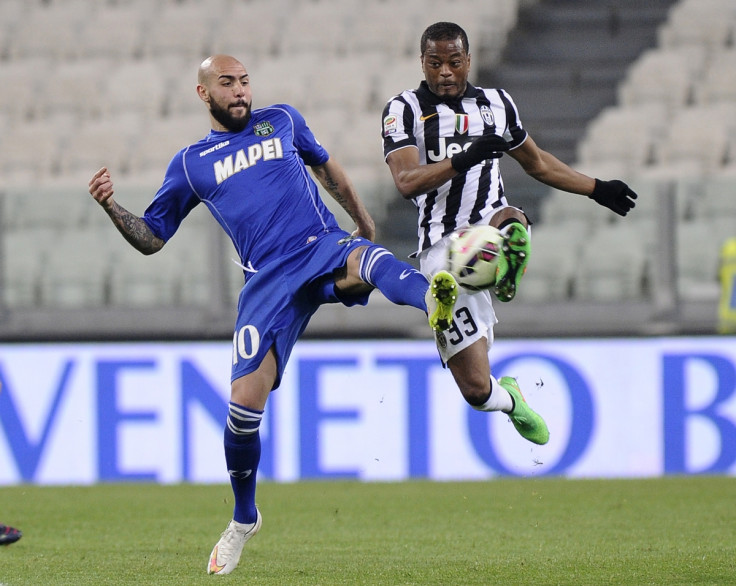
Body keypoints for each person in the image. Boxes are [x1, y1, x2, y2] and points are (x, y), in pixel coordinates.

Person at [88, 54, 459, 576]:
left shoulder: (282, 119)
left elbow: (326, 167)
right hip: (267, 282)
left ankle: (436, 303)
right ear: (203, 94)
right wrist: (110, 207)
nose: (240, 91)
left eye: (243, 81)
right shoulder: (192, 163)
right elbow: (152, 237)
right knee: (242, 408)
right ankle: (244, 519)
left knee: (371, 261)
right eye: (227, 83)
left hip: (319, 243)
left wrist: (362, 218)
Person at [382, 22, 637, 443]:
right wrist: (464, 159)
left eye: (454, 62)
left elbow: (537, 163)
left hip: (488, 223)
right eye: (435, 63)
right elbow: (407, 180)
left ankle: (504, 268)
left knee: (509, 217)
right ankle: (512, 399)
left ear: (468, 60)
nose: (445, 72)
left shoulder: (497, 105)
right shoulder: (403, 109)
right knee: (477, 390)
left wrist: (596, 188)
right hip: (440, 250)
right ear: (422, 63)